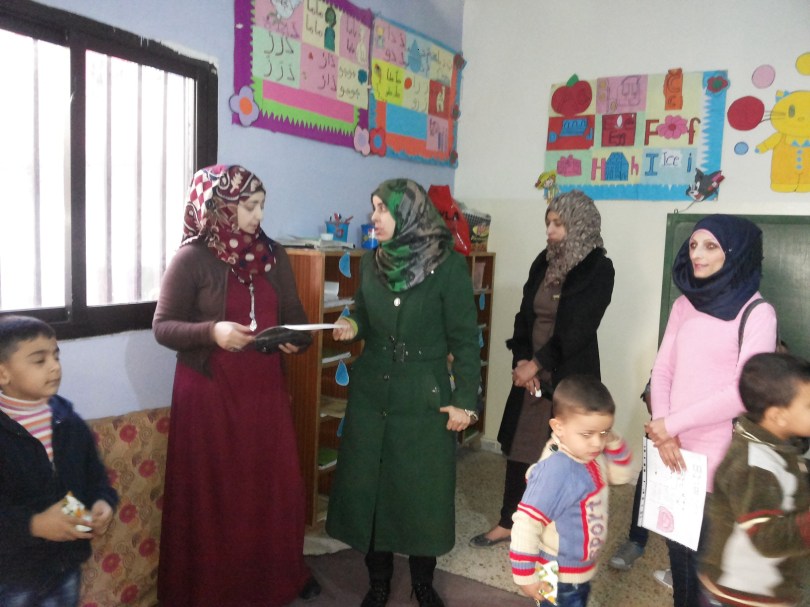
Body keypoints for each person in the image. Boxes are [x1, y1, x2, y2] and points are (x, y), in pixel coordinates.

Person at [152, 165, 319, 606]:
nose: (258, 215)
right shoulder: (191, 258)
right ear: (219, 206)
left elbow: (295, 316)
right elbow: (163, 327)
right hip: (210, 394)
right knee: (218, 496)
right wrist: (213, 332)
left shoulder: (273, 254)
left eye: (262, 205)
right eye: (249, 206)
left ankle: (277, 577)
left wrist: (295, 339)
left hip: (263, 392)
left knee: (273, 487)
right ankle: (215, 589)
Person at [325, 179, 481, 607]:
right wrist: (352, 323)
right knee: (372, 491)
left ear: (409, 214)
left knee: (420, 495)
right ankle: (378, 584)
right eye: (374, 207)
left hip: (424, 398)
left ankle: (422, 584)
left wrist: (465, 403)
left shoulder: (448, 267)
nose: (373, 216)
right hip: (372, 394)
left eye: (382, 209)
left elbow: (466, 341)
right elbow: (362, 309)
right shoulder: (372, 261)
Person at [644, 214, 778, 607]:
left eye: (711, 246)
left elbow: (743, 392)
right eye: (693, 245)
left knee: (709, 571)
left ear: (735, 253)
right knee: (680, 559)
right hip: (673, 451)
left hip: (720, 460)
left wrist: (670, 425)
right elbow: (663, 370)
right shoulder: (684, 304)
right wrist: (665, 431)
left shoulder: (758, 312)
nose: (697, 254)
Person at [470, 190, 614, 549]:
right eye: (548, 223)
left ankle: (558, 532)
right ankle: (509, 521)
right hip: (531, 376)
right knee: (521, 448)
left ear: (578, 224)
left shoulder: (598, 268)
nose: (549, 230)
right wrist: (523, 361)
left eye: (558, 224)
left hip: (568, 377)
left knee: (565, 456)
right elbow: (525, 315)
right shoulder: (543, 261)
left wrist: (537, 363)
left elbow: (578, 328)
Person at [0, 315, 118, 606]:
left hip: (66, 567)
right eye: (39, 360)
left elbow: (96, 478)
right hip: (12, 577)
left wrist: (102, 502)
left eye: (56, 356)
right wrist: (35, 525)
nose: (55, 366)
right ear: (3, 374)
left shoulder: (69, 422)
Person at [509, 375, 634, 607]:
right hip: (557, 573)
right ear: (559, 427)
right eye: (587, 434)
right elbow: (526, 521)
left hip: (579, 570)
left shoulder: (589, 455)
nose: (597, 443)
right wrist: (525, 575)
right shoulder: (557, 469)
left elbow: (621, 475)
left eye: (604, 432)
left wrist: (612, 440)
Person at [699, 352, 810, 607]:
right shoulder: (755, 466)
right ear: (777, 416)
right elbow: (767, 539)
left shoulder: (776, 443)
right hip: (741, 593)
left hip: (767, 583)